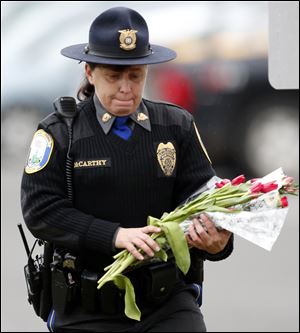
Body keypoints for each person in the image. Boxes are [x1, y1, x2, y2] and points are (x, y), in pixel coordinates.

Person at [21, 6, 233, 332]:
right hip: (87, 305)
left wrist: (219, 241)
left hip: (166, 301)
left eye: (135, 75)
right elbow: (41, 211)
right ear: (89, 72)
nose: (126, 87)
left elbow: (205, 197)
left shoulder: (175, 125)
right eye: (113, 75)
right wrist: (115, 236)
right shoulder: (61, 132)